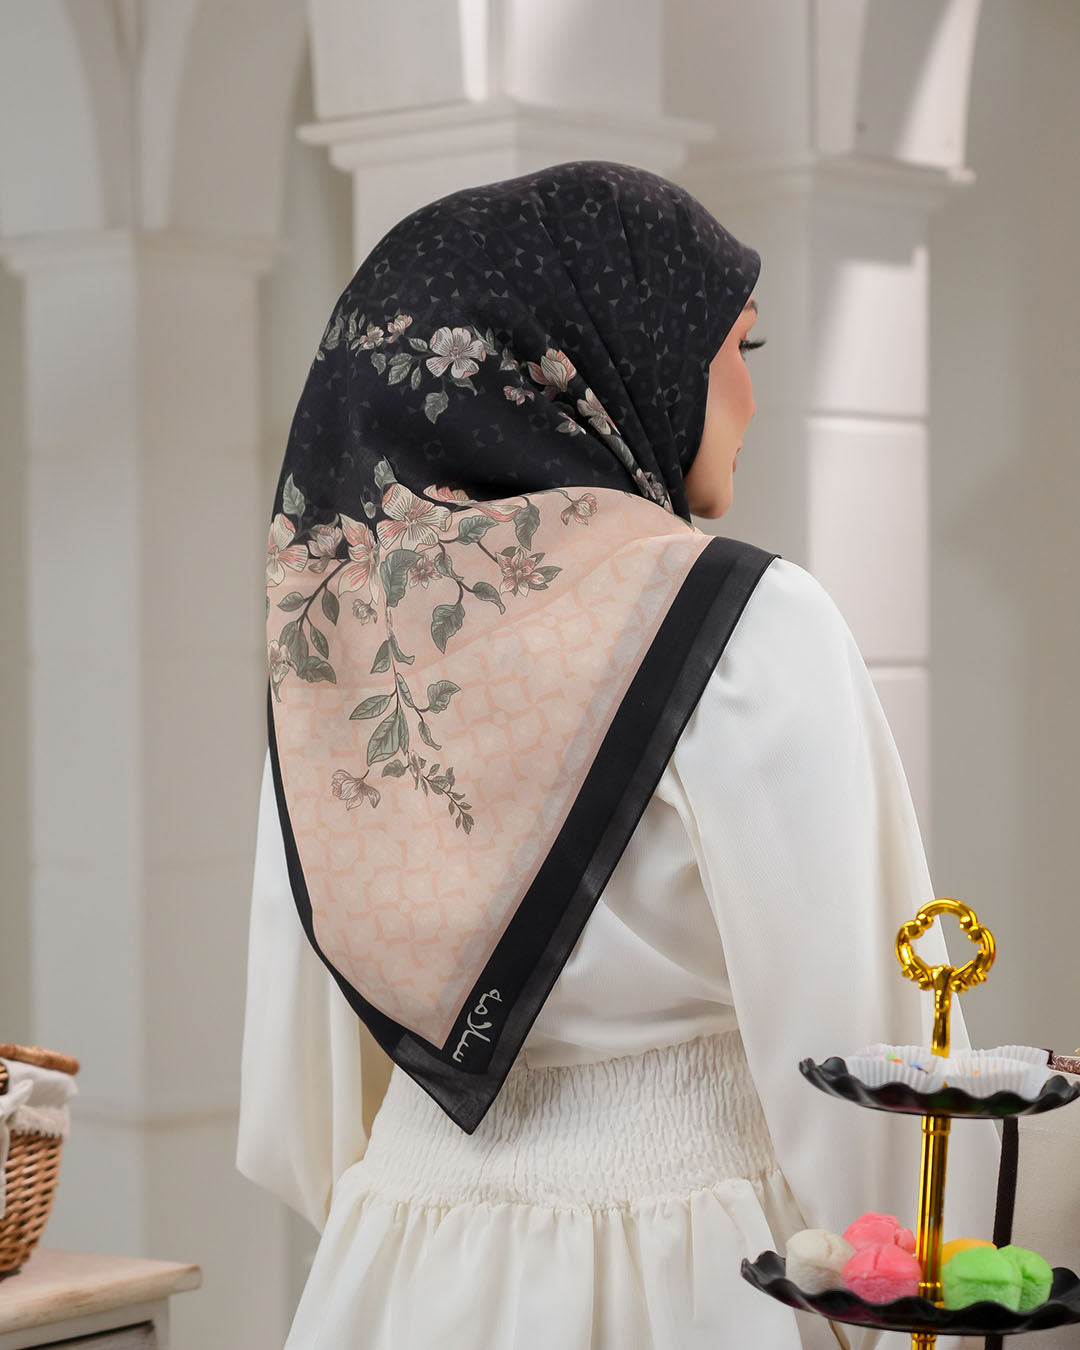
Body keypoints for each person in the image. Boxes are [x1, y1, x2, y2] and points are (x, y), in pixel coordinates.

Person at [237, 160, 1000, 1349]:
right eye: (740, 347)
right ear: (599, 364)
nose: (752, 397)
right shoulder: (747, 624)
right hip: (694, 1272)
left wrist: (428, 1201)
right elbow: (875, 1075)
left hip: (396, 1271)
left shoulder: (341, 657)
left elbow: (296, 1111)